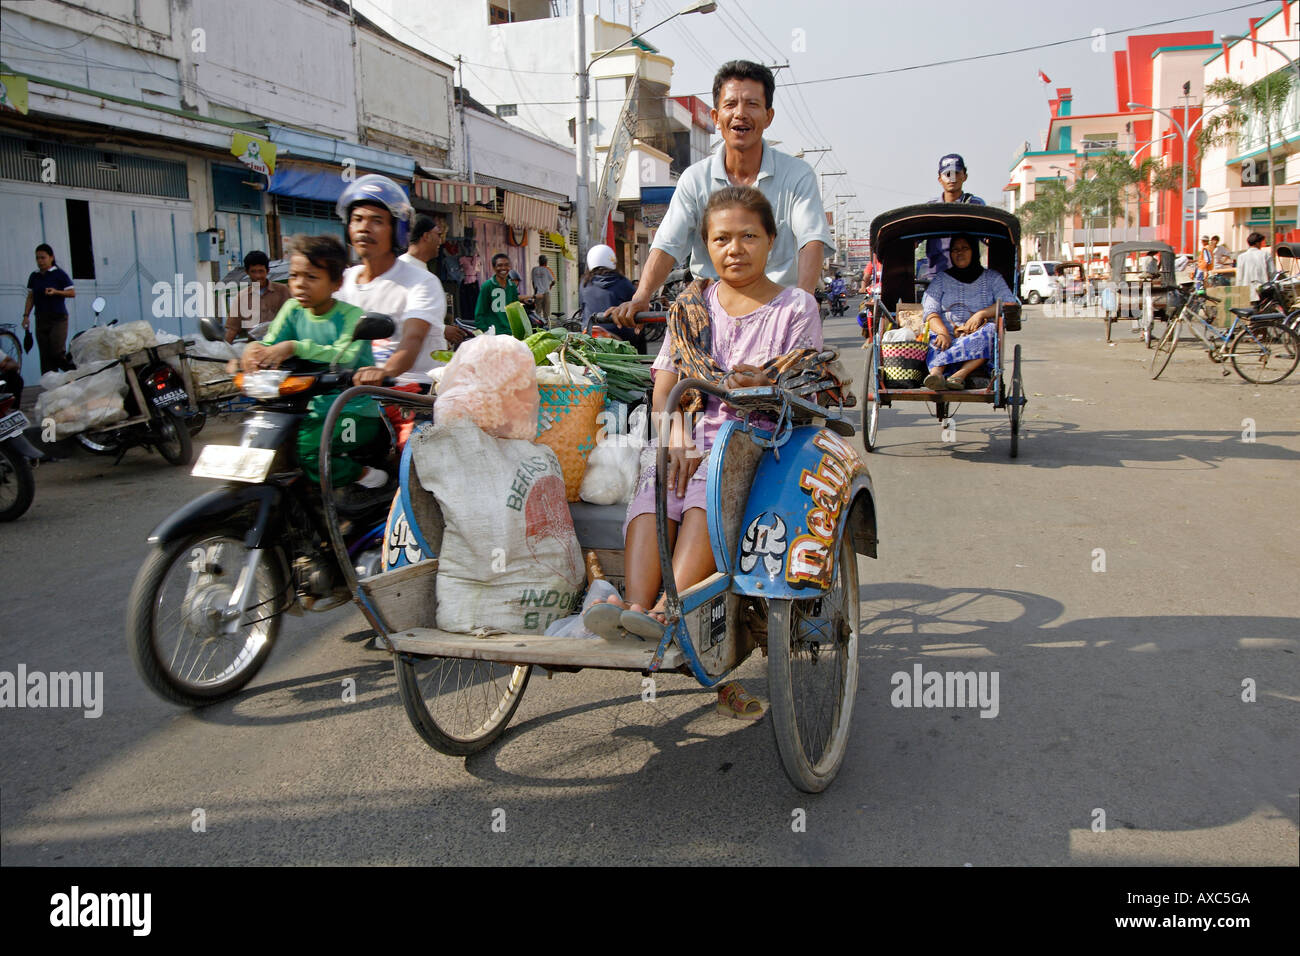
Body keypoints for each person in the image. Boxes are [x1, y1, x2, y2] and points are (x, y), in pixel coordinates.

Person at [586, 186, 826, 721]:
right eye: (721, 238)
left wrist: (764, 382)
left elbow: (805, 382)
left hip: (760, 432)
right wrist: (675, 433)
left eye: (748, 236)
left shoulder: (795, 306)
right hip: (690, 423)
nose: (735, 248)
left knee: (711, 481)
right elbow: (666, 381)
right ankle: (632, 608)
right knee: (656, 472)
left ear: (771, 241)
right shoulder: (691, 306)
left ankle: (668, 609)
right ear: (706, 245)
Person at [608, 60, 832, 328]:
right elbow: (668, 243)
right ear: (715, 118)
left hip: (780, 315)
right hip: (711, 318)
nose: (740, 113)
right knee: (671, 367)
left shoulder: (797, 175)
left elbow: (812, 240)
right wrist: (642, 296)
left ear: (768, 116)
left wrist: (803, 302)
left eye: (751, 104)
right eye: (730, 104)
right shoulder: (694, 179)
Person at [240, 234, 387, 507]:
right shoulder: (292, 309)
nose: (299, 285)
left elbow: (344, 357)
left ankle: (368, 477)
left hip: (353, 412)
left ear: (336, 283)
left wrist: (295, 347)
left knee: (309, 452)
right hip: (305, 407)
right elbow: (272, 343)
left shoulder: (351, 316)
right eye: (294, 276)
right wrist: (254, 350)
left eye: (311, 277)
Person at [334, 174, 447, 453]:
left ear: (396, 229)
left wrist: (383, 371)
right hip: (355, 392)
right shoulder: (343, 283)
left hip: (411, 392)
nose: (364, 228)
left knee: (408, 463)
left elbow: (411, 342)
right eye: (358, 219)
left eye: (376, 221)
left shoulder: (421, 282)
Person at [920, 234, 1017, 391]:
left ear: (974, 251)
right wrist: (943, 332)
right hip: (946, 335)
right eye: (955, 249)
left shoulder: (992, 278)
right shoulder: (941, 279)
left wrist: (981, 314)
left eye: (965, 248)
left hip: (976, 335)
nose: (960, 253)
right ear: (950, 254)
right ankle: (936, 374)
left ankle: (959, 375)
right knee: (933, 337)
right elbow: (930, 311)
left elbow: (1008, 302)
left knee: (990, 331)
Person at [401, 215, 466, 348]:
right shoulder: (402, 269)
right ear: (426, 236)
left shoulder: (421, 270)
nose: (441, 241)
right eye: (438, 235)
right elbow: (401, 316)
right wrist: (441, 330)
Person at [925, 154, 986, 279]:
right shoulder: (930, 209)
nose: (952, 178)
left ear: (965, 176)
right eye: (948, 174)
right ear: (940, 179)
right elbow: (912, 241)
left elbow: (989, 238)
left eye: (956, 173)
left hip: (969, 277)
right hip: (937, 278)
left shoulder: (976, 205)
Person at [22, 244, 75, 375]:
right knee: (45, 357)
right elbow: (31, 297)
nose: (40, 261)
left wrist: (56, 292)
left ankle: (74, 372)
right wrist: (26, 316)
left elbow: (72, 293)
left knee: (56, 351)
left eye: (43, 258)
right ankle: (51, 388)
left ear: (51, 257)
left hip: (58, 318)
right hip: (41, 318)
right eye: (37, 258)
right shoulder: (34, 276)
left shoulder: (59, 274)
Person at [579, 244, 641, 350]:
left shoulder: (584, 284)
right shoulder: (623, 282)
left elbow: (582, 307)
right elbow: (636, 304)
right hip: (619, 333)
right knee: (639, 332)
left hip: (589, 331)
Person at [225, 250, 291, 344]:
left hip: (280, 346)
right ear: (247, 272)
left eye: (261, 271)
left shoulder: (282, 291)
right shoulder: (242, 297)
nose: (258, 276)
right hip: (255, 349)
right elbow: (232, 329)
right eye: (253, 272)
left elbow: (294, 320)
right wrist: (223, 349)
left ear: (267, 271)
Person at [473, 253, 522, 335]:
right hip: (494, 334)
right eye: (499, 265)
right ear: (494, 267)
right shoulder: (487, 286)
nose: (503, 268)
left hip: (510, 334)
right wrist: (486, 332)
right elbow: (479, 314)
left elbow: (516, 311)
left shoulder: (512, 286)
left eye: (506, 265)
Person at [1235, 231, 1275, 305]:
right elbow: (1272, 272)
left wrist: (1239, 291)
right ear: (1257, 243)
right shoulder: (1265, 255)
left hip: (1246, 291)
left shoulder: (1241, 257)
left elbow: (1239, 277)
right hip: (1263, 290)